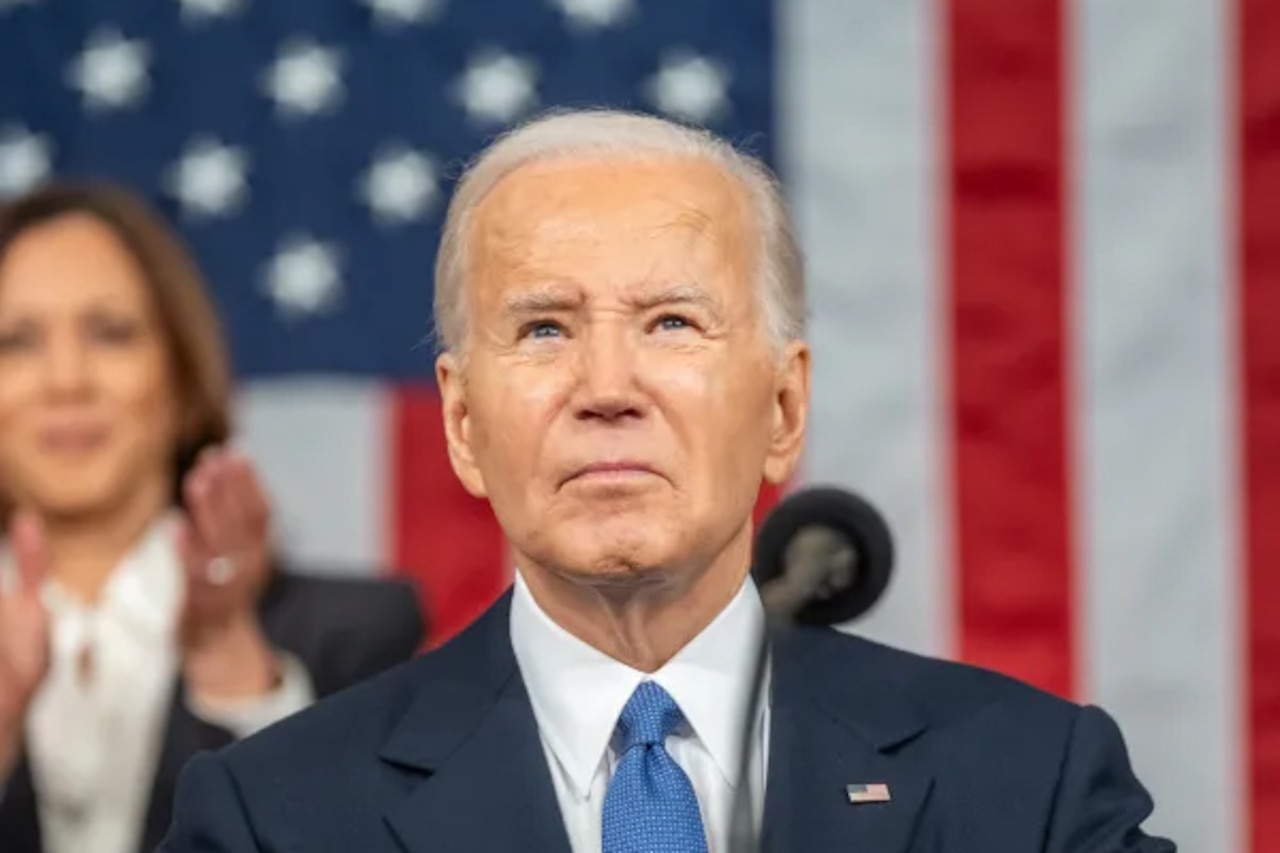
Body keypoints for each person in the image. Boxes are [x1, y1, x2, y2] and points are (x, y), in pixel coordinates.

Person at [158, 109, 1174, 852]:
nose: (606, 388)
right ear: (463, 426)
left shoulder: (1027, 790)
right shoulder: (272, 820)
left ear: (782, 409)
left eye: (672, 323)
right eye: (544, 327)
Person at [0, 181, 427, 853]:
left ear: (180, 373)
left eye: (110, 333)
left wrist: (232, 666)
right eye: (16, 342)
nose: (66, 379)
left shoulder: (358, 638)